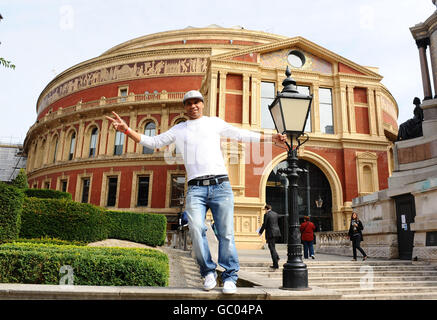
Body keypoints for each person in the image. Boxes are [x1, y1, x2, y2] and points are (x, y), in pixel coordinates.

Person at [105, 89, 287, 294]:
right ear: (185, 107)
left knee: (226, 233)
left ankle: (229, 276)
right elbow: (154, 142)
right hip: (196, 189)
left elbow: (241, 134)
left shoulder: (214, 122)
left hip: (221, 186)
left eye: (196, 102)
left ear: (202, 104)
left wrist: (272, 138)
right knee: (196, 229)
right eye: (189, 103)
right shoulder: (179, 129)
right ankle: (208, 272)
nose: (193, 106)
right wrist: (127, 130)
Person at [258, 204, 282, 269]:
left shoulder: (266, 215)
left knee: (271, 248)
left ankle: (275, 265)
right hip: (276, 232)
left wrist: (260, 232)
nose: (264, 211)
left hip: (270, 233)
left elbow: (264, 224)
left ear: (266, 209)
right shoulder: (275, 214)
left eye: (264, 210)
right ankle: (277, 257)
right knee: (273, 246)